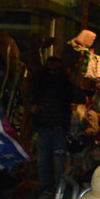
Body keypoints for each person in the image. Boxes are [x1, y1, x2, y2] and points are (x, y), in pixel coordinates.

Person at [32, 56, 80, 188]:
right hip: (46, 127)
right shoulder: (40, 85)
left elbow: (73, 100)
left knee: (57, 161)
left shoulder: (65, 86)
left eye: (55, 70)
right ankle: (46, 188)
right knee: (44, 160)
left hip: (57, 128)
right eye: (50, 69)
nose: (52, 72)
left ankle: (57, 189)